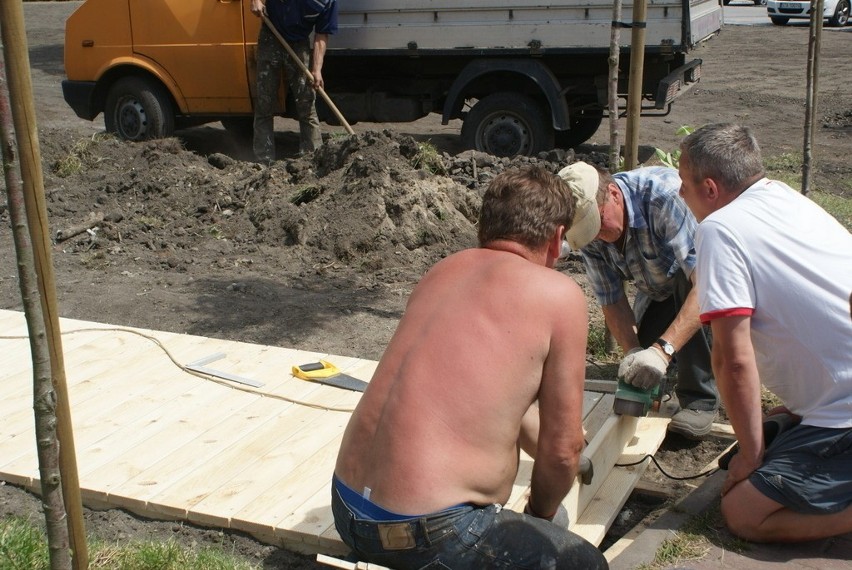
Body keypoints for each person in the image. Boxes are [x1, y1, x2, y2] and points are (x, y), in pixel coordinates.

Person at [332, 165, 608, 569]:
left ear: (486, 226)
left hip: (347, 510)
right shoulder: (559, 296)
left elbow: (500, 410)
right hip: (429, 532)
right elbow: (563, 449)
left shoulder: (444, 270)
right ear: (555, 238)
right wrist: (541, 517)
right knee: (583, 564)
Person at [677, 122, 852, 543]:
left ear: (711, 188)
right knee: (776, 419)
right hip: (840, 393)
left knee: (742, 512)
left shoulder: (720, 229)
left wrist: (751, 456)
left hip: (846, 413)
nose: (680, 194)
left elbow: (732, 359)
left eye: (684, 183)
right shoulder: (784, 197)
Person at [557, 161, 719, 438]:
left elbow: (705, 284)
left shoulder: (663, 198)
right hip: (658, 291)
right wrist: (634, 352)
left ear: (614, 194)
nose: (596, 236)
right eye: (588, 232)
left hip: (708, 287)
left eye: (598, 225)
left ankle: (700, 399)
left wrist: (662, 351)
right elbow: (612, 299)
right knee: (642, 365)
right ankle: (669, 374)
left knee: (683, 282)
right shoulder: (590, 232)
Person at [250, 0, 338, 163]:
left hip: (299, 42)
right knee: (264, 102)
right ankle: (263, 160)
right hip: (271, 35)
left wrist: (317, 69)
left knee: (306, 103)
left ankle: (311, 160)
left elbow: (321, 34)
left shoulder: (327, 3)